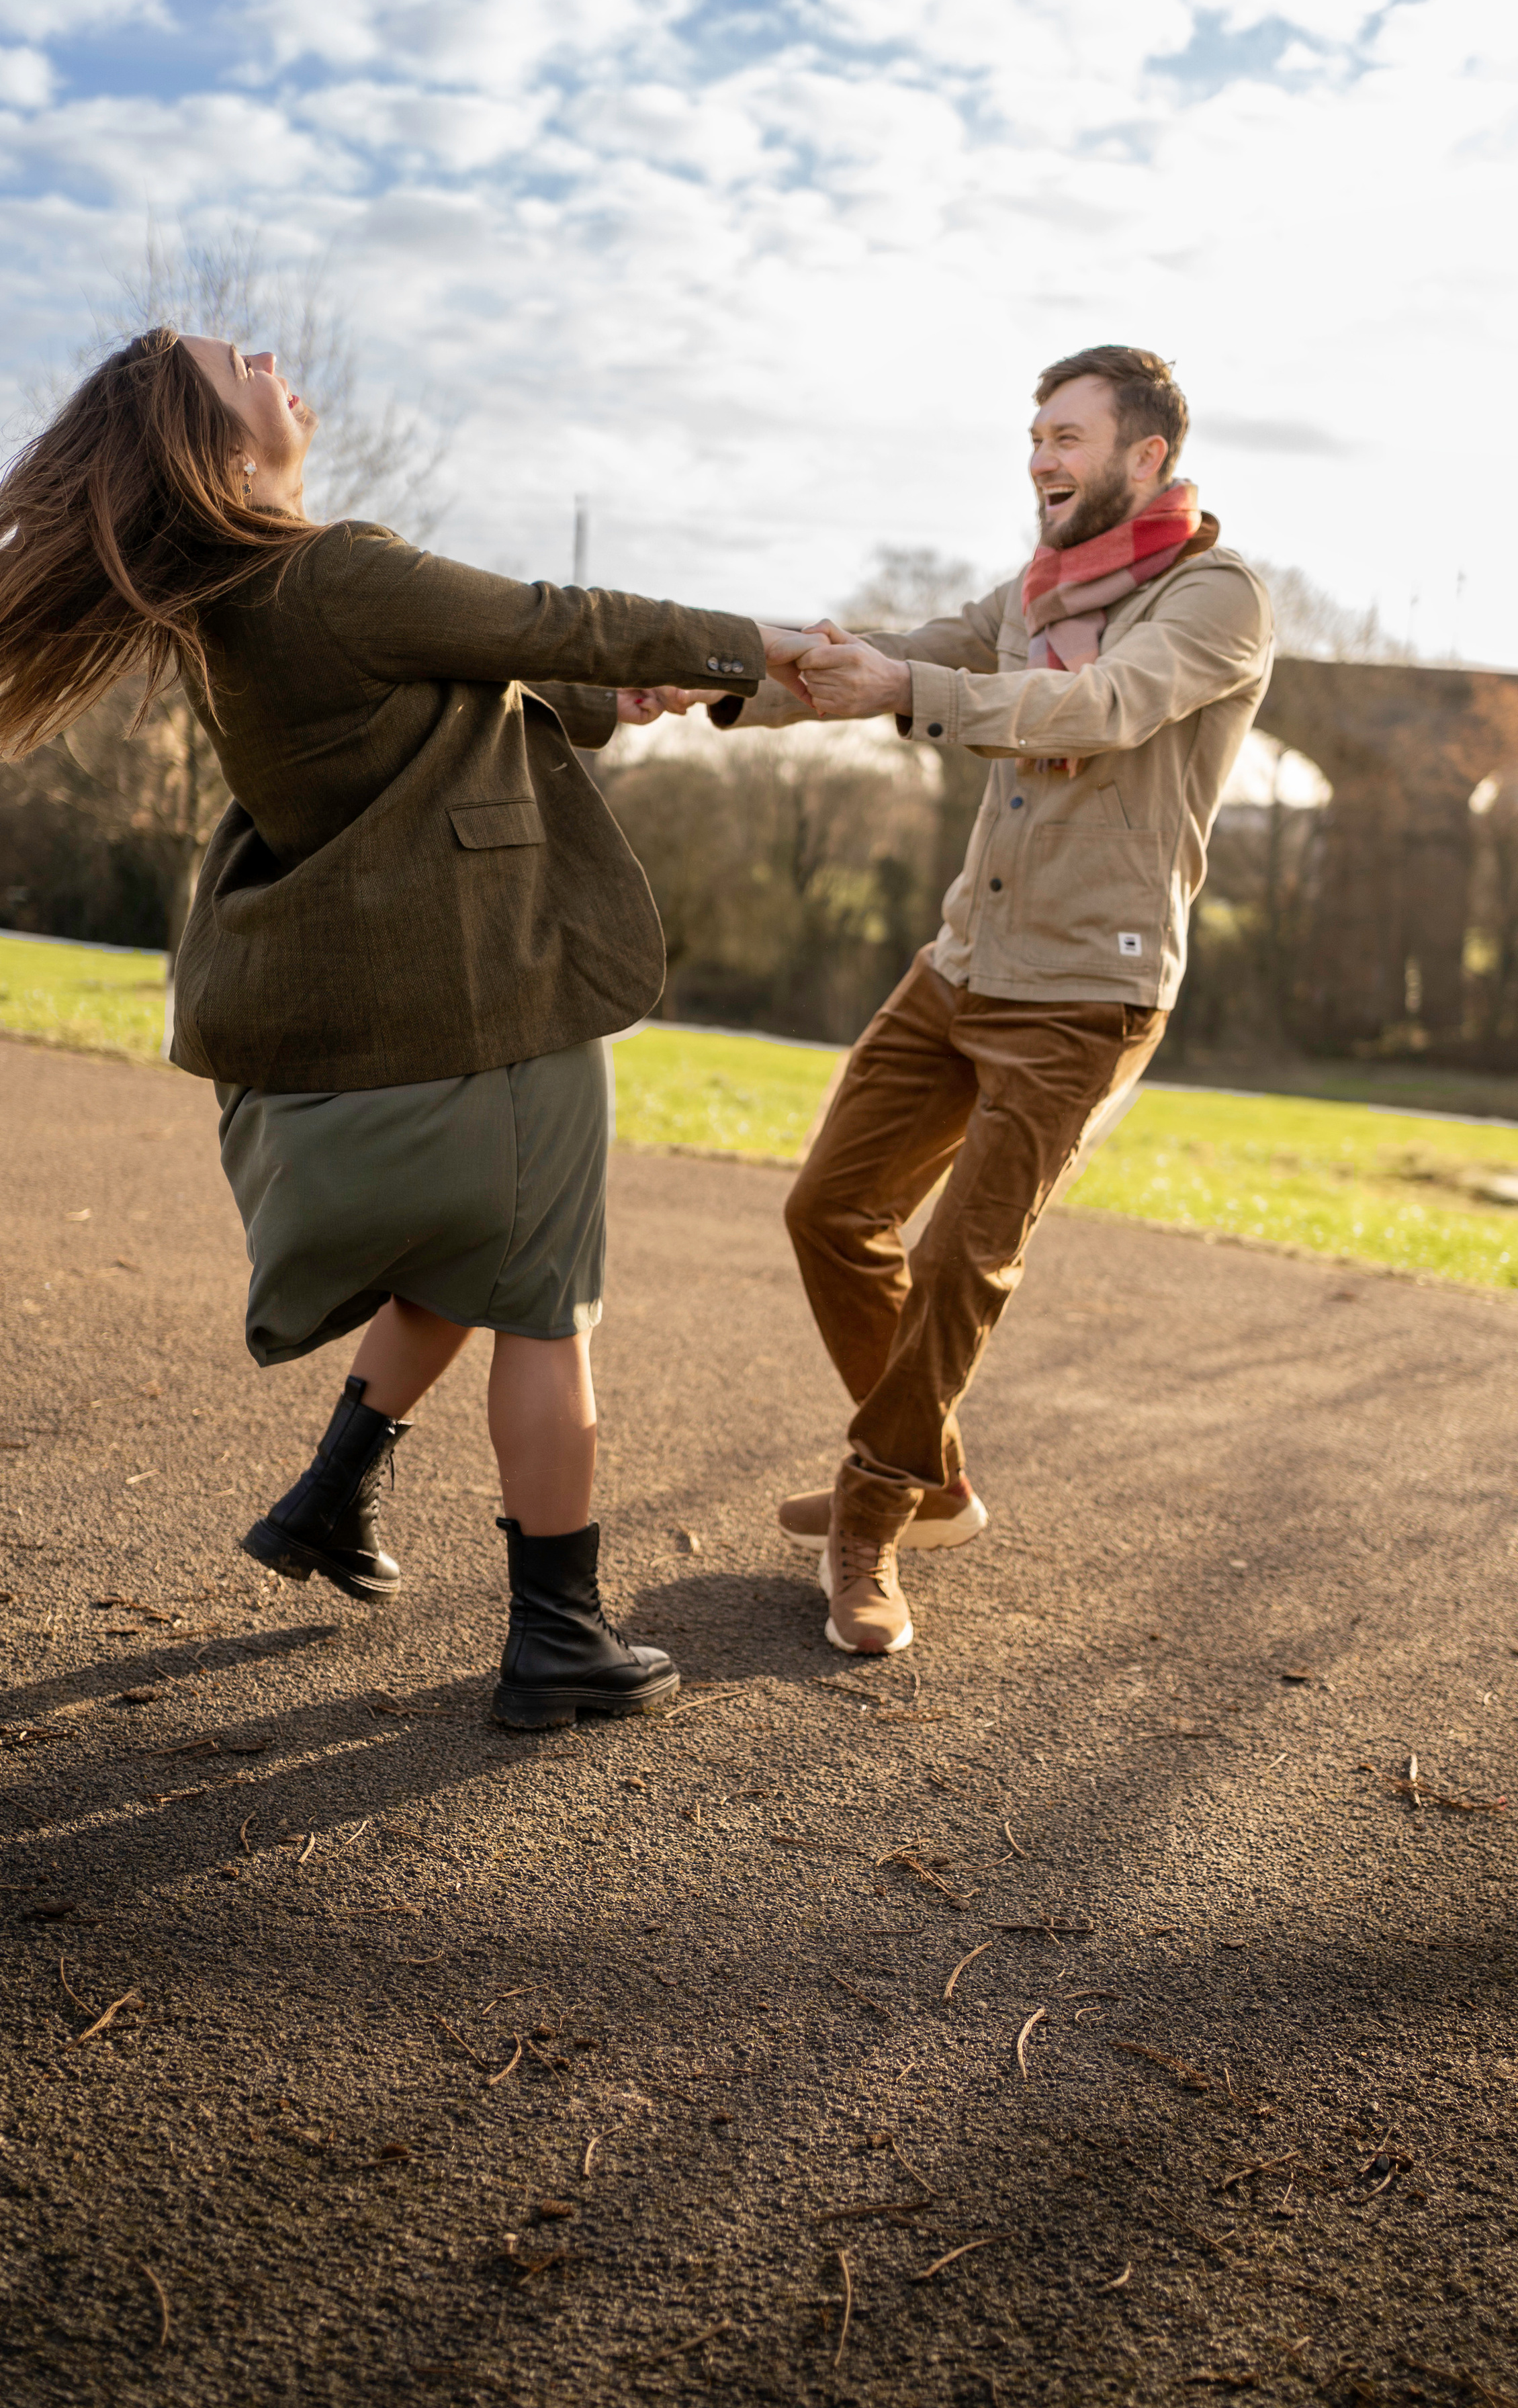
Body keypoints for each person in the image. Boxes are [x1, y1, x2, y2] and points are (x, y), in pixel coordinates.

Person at [0, 326, 813, 1727]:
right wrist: (763, 651)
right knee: (545, 1313)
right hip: (485, 1008)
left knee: (470, 1250)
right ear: (219, 440)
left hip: (383, 1036)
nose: (266, 353)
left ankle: (334, 1493)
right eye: (232, 358)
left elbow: (451, 694)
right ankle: (557, 1635)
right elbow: (551, 615)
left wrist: (608, 699)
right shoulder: (333, 569)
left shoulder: (235, 602)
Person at [668, 346, 1274, 1656]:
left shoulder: (1215, 597)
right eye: (1034, 435)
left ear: (1145, 458)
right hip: (960, 965)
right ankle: (932, 1472)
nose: (1040, 458)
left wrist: (912, 693)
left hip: (1084, 992)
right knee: (831, 1211)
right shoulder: (1030, 591)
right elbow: (885, 654)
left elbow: (1102, 705)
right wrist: (714, 681)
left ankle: (871, 1515)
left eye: (1067, 437)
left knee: (958, 1261)